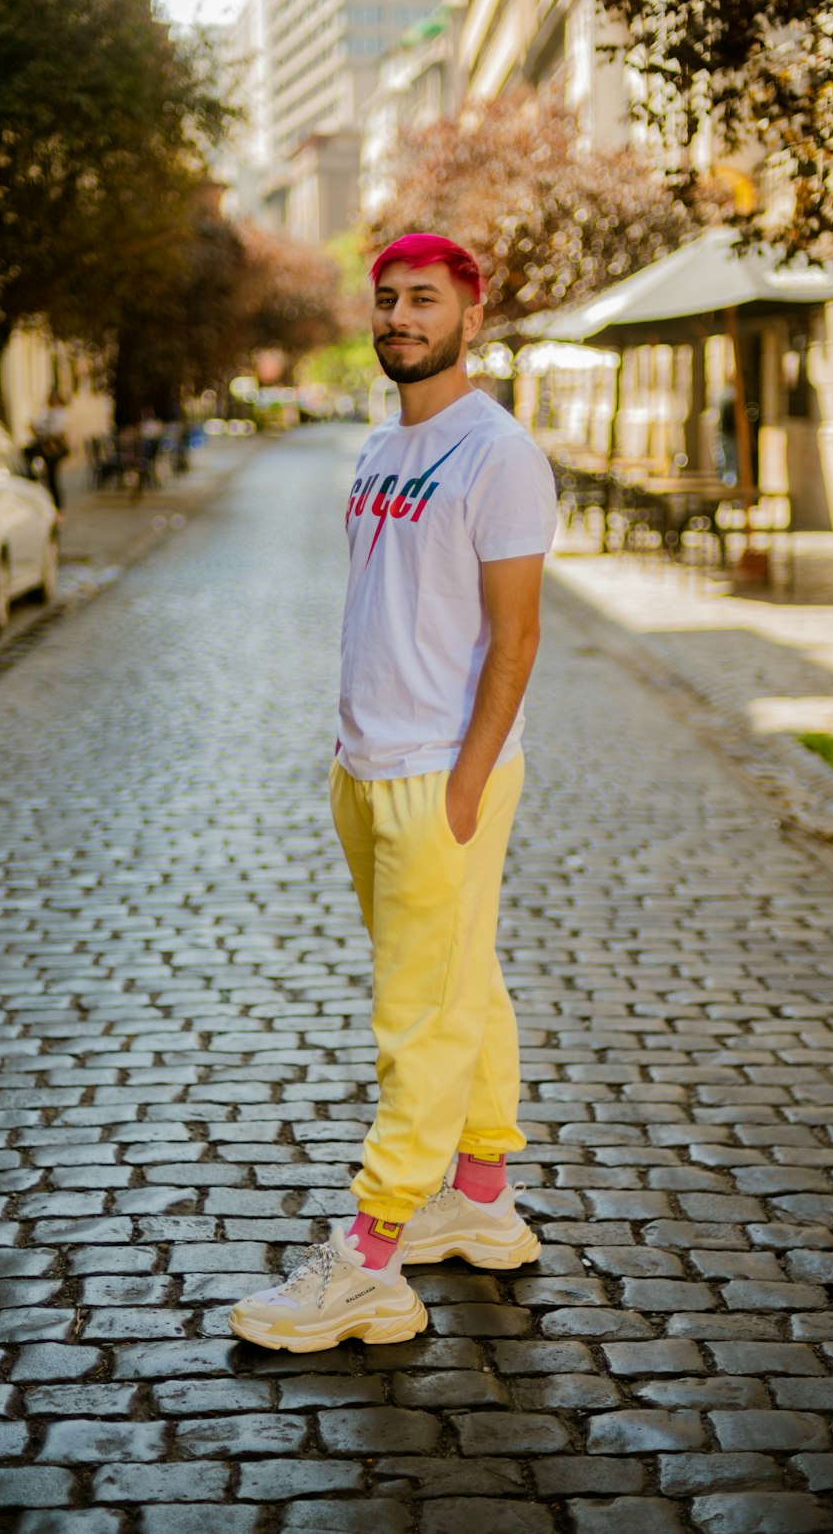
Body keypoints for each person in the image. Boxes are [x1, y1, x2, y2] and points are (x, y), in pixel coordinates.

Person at [230, 233, 558, 1353]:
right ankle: (480, 1192)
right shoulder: (379, 446)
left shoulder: (496, 452)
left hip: (439, 775)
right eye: (386, 299)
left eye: (423, 299)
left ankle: (370, 1258)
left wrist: (464, 784)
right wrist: (350, 755)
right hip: (365, 767)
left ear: (473, 313)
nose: (399, 316)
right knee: (464, 977)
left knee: (417, 1013)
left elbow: (514, 638)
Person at [25, 393, 70, 511]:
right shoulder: (45, 413)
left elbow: (58, 430)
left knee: (52, 478)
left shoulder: (61, 414)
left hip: (53, 448)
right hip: (44, 445)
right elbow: (38, 426)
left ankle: (58, 505)